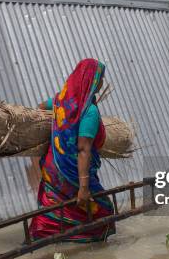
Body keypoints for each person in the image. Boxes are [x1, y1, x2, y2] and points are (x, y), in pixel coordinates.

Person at [29, 58, 115, 242]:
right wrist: (83, 188)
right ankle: (87, 242)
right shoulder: (89, 111)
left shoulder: (61, 100)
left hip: (53, 168)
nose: (101, 83)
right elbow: (83, 149)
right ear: (91, 80)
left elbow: (40, 107)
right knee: (103, 211)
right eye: (99, 79)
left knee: (53, 207)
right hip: (73, 172)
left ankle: (41, 236)